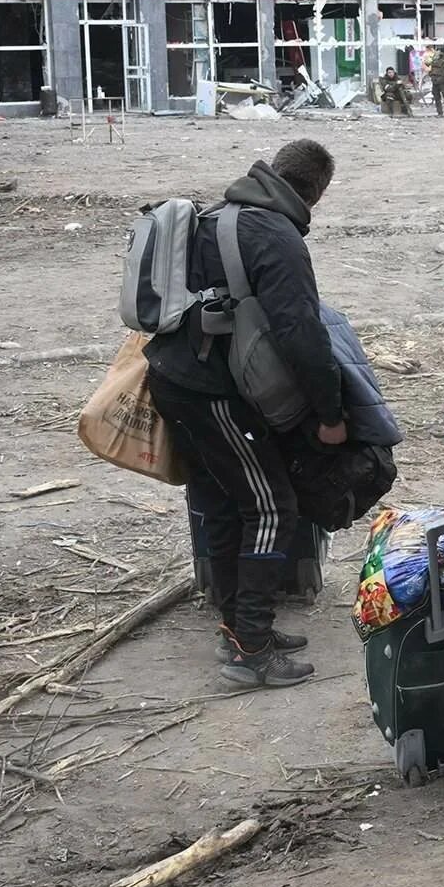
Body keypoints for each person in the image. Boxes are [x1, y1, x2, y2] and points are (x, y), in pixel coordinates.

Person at [144, 139, 346, 689]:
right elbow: (301, 333)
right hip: (213, 393)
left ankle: (237, 626)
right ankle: (250, 649)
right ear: (316, 192)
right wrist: (330, 413)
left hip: (170, 378)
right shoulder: (276, 236)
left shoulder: (220, 215)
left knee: (229, 505)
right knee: (272, 507)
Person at [426, 47, 444, 117]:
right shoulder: (435, 59)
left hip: (442, 82)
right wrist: (433, 56)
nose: (437, 52)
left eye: (439, 51)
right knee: (436, 97)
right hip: (435, 80)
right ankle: (440, 113)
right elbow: (427, 63)